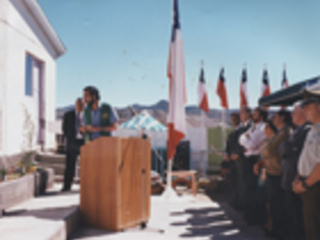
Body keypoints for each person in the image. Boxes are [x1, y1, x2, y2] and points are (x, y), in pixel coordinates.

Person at [280, 102, 311, 240]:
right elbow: (283, 148)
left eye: (294, 111)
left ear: (303, 112)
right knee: (291, 215)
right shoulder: (298, 130)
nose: (291, 114)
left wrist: (286, 147)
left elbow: (288, 148)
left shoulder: (307, 129)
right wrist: (286, 147)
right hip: (289, 179)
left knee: (297, 218)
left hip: (297, 180)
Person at [293, 97, 320, 240]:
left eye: (307, 107)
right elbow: (305, 158)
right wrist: (298, 178)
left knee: (315, 227)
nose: (304, 111)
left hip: (314, 185)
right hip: (306, 183)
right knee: (310, 226)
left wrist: (305, 184)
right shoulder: (312, 130)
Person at [239, 107, 267, 223]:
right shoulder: (253, 127)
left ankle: (257, 216)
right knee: (249, 188)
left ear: (261, 116)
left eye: (255, 114)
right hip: (249, 159)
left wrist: (249, 145)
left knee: (255, 189)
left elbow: (251, 144)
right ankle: (251, 213)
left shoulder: (263, 127)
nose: (253, 116)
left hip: (256, 160)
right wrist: (248, 143)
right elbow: (241, 139)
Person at [230, 106, 252, 210]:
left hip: (246, 159)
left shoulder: (251, 126)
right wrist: (233, 153)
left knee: (247, 185)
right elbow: (237, 142)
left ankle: (247, 208)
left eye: (242, 113)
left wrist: (238, 153)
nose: (240, 115)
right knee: (241, 183)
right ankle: (242, 206)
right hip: (237, 159)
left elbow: (248, 143)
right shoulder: (241, 127)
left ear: (248, 114)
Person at [62, 98, 84, 192]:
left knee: (86, 166)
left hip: (84, 143)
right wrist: (70, 139)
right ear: (75, 105)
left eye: (82, 104)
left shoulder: (88, 116)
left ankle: (85, 187)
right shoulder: (68, 115)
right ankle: (67, 186)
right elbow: (64, 129)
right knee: (69, 166)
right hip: (72, 143)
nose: (80, 106)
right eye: (78, 104)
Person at [224, 113, 241, 207]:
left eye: (235, 119)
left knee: (239, 182)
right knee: (233, 180)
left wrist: (234, 154)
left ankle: (238, 202)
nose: (233, 121)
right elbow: (229, 145)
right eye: (232, 119)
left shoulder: (241, 131)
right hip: (231, 160)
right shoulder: (233, 132)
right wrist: (227, 154)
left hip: (238, 159)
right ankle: (234, 200)